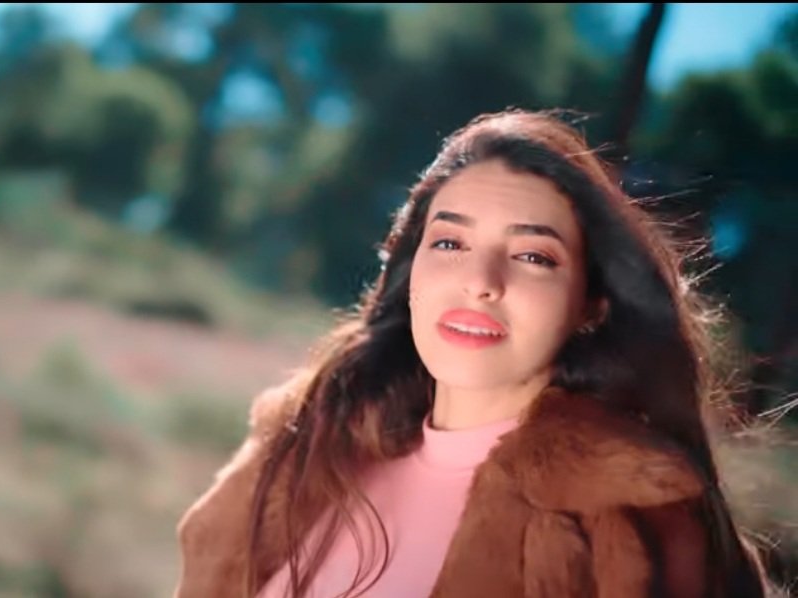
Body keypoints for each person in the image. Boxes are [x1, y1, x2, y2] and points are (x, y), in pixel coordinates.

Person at [172, 109, 774, 597]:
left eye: (532, 256)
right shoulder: (303, 445)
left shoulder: (633, 518)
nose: (480, 282)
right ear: (410, 270)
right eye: (450, 243)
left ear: (592, 303)